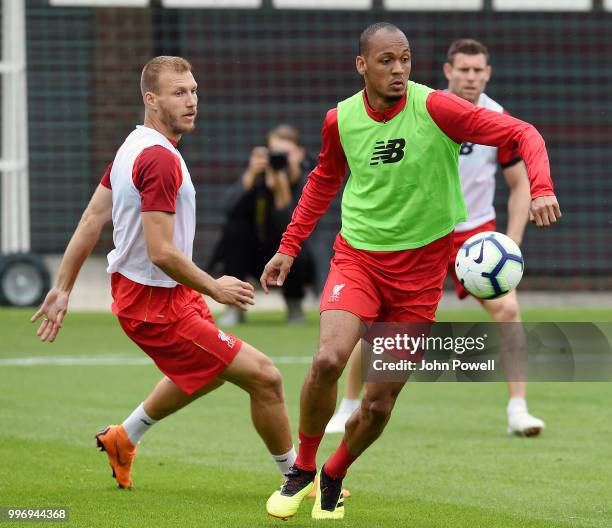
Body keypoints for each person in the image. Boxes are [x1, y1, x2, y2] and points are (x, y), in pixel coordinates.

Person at [261, 23, 561, 521]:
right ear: (362, 65)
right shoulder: (340, 120)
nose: (398, 69)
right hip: (357, 258)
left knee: (379, 405)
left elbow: (522, 133)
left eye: (404, 59)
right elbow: (322, 181)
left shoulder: (437, 108)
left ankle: (335, 473)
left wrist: (542, 185)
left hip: (420, 276)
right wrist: (288, 247)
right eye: (386, 60)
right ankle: (303, 469)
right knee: (329, 359)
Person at [31, 56, 297, 493]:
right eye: (179, 93)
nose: (191, 101)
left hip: (160, 294)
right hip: (154, 302)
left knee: (213, 369)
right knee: (265, 377)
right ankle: (297, 477)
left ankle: (123, 437)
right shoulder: (158, 160)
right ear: (150, 100)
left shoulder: (132, 146)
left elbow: (91, 219)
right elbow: (160, 252)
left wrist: (62, 289)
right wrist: (215, 286)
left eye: (193, 91)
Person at [326, 38, 545, 438]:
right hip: (418, 231)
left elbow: (520, 186)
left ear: (488, 74)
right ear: (448, 72)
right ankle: (349, 405)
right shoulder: (425, 106)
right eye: (463, 69)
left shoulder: (497, 116)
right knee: (371, 322)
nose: (471, 76)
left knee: (509, 312)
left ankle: (518, 409)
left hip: (474, 236)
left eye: (478, 70)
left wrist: (509, 244)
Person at [210, 125, 315, 325]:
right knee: (234, 231)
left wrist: (281, 189)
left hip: (289, 258)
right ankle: (234, 306)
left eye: (285, 154)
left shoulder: (308, 182)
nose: (278, 160)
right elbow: (227, 209)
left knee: (296, 244)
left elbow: (293, 228)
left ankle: (294, 306)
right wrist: (250, 175)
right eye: (274, 153)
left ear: (300, 154)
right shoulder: (257, 179)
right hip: (253, 254)